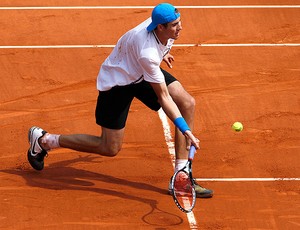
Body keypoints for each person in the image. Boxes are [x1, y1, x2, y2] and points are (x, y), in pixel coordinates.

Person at [27, 3, 213, 198]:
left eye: (179, 21)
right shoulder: (147, 54)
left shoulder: (164, 29)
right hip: (118, 82)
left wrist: (164, 52)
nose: (180, 27)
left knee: (187, 103)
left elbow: (157, 48)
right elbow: (164, 97)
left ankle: (180, 177)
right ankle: (45, 141)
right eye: (175, 25)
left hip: (140, 72)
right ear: (160, 27)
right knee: (109, 147)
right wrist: (186, 130)